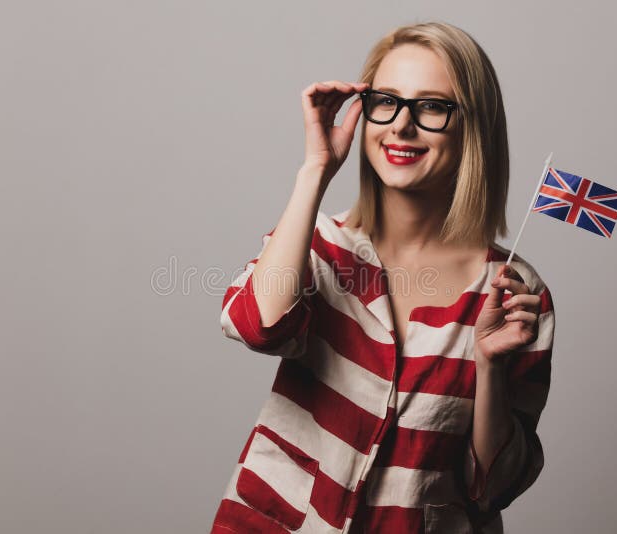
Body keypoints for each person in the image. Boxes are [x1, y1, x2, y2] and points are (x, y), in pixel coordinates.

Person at [210, 20, 556, 534]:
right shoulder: (319, 243)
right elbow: (256, 326)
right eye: (386, 100)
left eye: (433, 106)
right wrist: (315, 171)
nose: (401, 126)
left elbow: (494, 488)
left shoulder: (513, 292)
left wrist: (488, 368)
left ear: (472, 128)